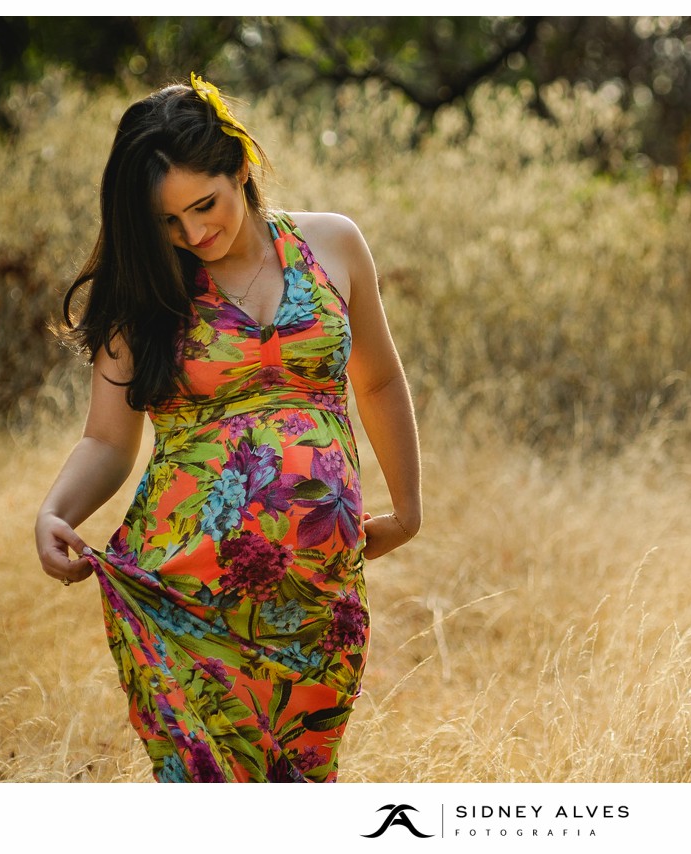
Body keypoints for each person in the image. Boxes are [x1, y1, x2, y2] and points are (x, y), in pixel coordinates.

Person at [34, 74, 421, 783]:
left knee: (301, 790)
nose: (194, 233)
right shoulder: (143, 293)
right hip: (187, 601)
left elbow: (380, 380)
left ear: (241, 166)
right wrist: (56, 511)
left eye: (205, 206)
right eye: (169, 223)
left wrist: (409, 507)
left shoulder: (332, 245)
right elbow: (106, 441)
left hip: (318, 604)